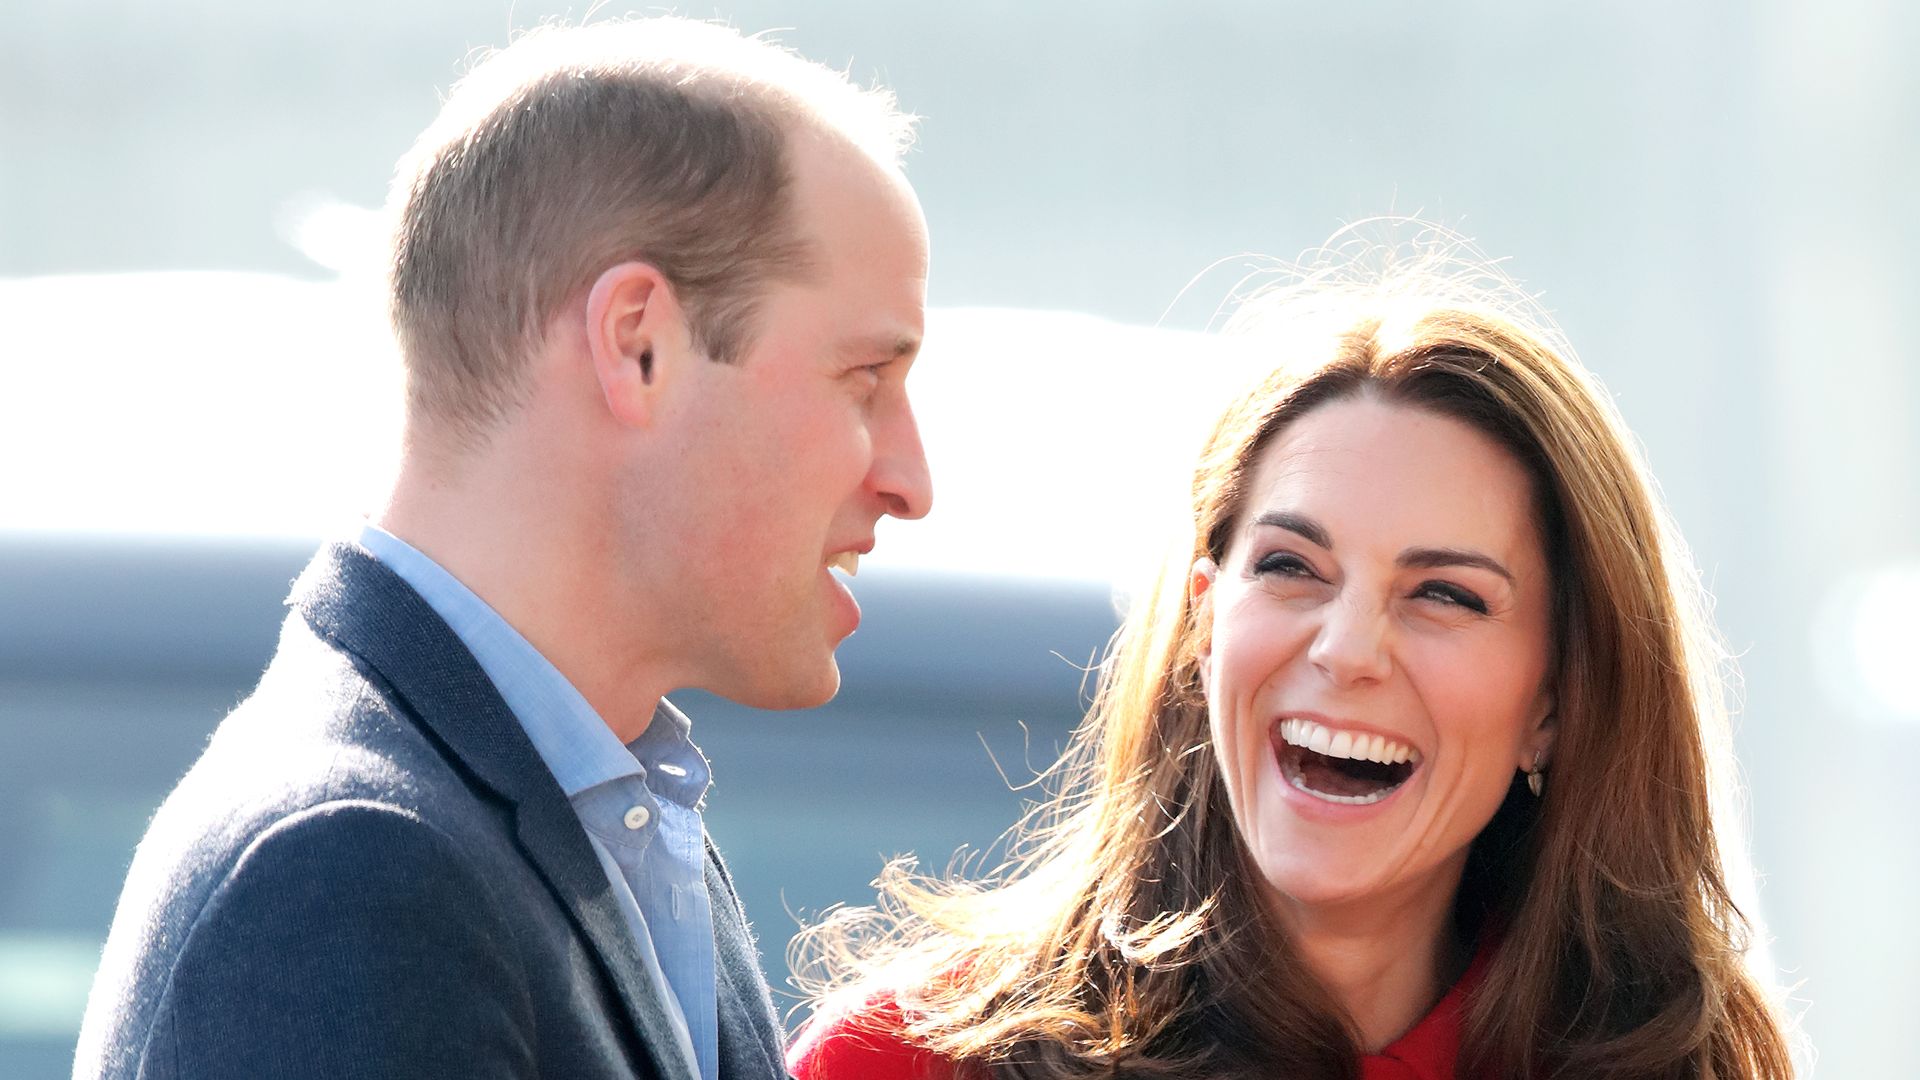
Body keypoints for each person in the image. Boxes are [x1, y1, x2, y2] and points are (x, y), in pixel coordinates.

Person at [75, 16, 931, 1080]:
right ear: (639, 345)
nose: (911, 482)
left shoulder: (606, 831)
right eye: (866, 380)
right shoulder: (352, 871)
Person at [787, 257, 1794, 1079]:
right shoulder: (907, 1063)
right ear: (1202, 628)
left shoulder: (1696, 1066)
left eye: (1444, 594)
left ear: (1556, 704)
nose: (1347, 650)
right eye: (1290, 568)